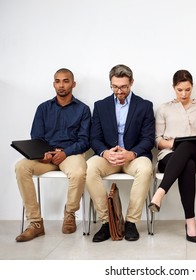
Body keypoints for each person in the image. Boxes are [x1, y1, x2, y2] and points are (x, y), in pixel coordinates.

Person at [15, 68, 91, 242]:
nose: (61, 85)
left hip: (71, 154)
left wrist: (65, 153)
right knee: (21, 167)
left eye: (65, 81)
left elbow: (85, 140)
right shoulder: (43, 108)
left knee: (79, 172)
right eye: (57, 81)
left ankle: (70, 213)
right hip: (46, 156)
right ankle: (35, 223)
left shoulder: (83, 109)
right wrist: (43, 154)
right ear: (53, 84)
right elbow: (37, 137)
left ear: (73, 84)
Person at [86, 64, 155, 242]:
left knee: (146, 169)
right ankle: (107, 222)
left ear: (131, 83)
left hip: (134, 157)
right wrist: (104, 152)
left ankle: (131, 222)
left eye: (123, 86)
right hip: (109, 157)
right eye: (115, 86)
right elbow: (94, 137)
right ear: (110, 84)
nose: (119, 91)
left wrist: (132, 154)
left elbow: (148, 138)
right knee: (89, 167)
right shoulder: (100, 106)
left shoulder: (145, 106)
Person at [148, 69, 196, 243]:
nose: (184, 94)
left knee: (187, 147)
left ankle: (160, 192)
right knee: (187, 164)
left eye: (187, 89)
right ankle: (190, 222)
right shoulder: (164, 109)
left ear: (192, 87)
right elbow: (157, 141)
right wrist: (174, 144)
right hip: (169, 156)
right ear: (173, 88)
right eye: (180, 90)